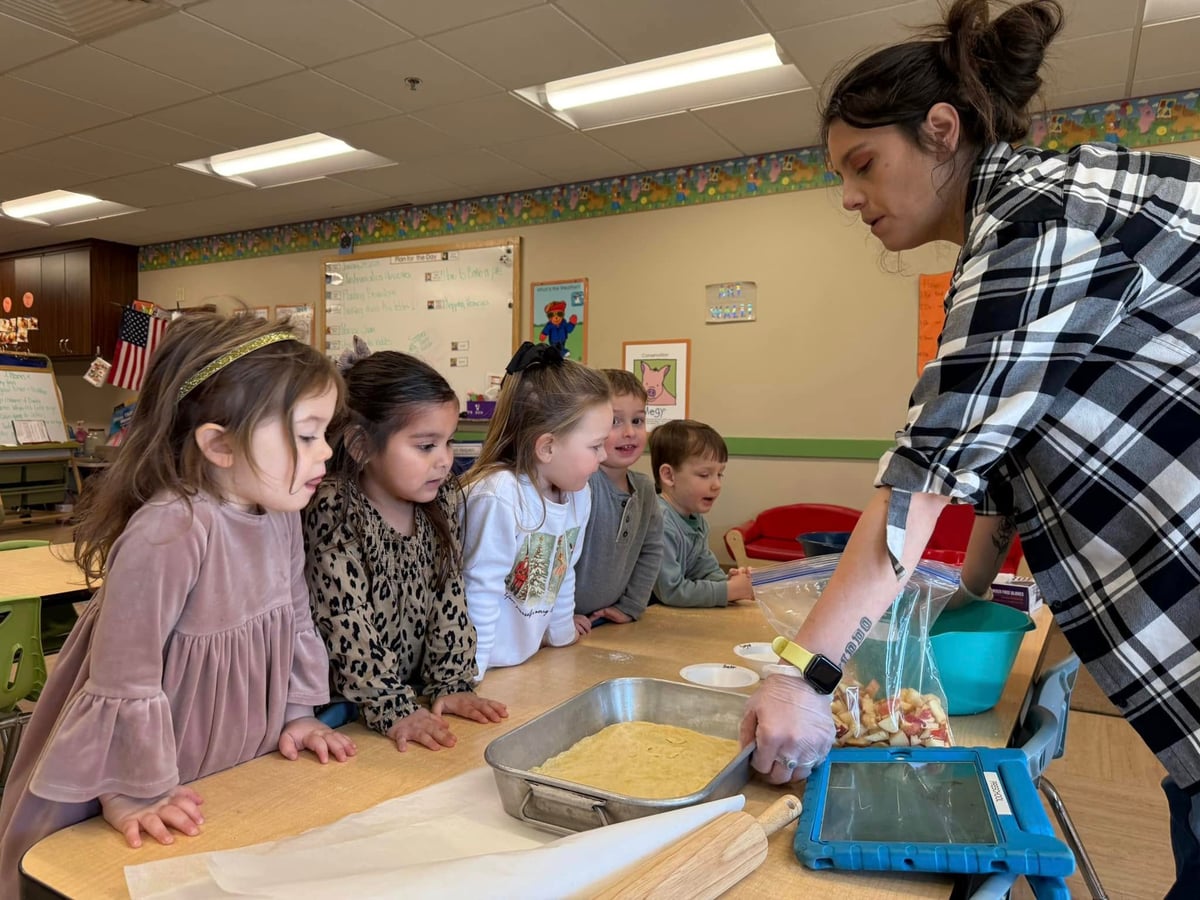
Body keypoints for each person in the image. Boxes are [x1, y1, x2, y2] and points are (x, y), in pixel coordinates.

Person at [739, 2, 1200, 895]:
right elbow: (1002, 464)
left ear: (942, 130)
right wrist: (975, 595)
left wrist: (808, 675)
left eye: (863, 164)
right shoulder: (1058, 205)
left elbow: (927, 470)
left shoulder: (1038, 215)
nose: (848, 198)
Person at [0, 314, 356, 895]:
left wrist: (298, 714)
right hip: (146, 771)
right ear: (219, 444)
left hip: (234, 765)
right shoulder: (171, 529)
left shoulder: (281, 515)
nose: (327, 453)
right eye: (308, 433)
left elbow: (294, 623)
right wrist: (131, 790)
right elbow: (125, 676)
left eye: (325, 433)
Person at [304, 340, 508, 753]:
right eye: (426, 446)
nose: (445, 460)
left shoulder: (440, 499)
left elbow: (450, 596)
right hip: (350, 714)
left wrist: (451, 682)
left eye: (449, 442)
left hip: (414, 699)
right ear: (361, 445)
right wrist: (392, 707)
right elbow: (345, 622)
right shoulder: (334, 508)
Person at [460, 341, 612, 678]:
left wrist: (562, 634)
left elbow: (563, 569)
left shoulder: (578, 494)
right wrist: (468, 679)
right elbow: (479, 592)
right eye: (595, 446)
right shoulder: (499, 496)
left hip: (522, 664)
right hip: (478, 668)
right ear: (547, 447)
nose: (604, 456)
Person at [573, 368, 664, 633]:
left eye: (637, 421)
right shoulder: (581, 484)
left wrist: (632, 606)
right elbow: (559, 556)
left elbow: (651, 551)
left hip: (606, 623)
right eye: (615, 421)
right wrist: (558, 616)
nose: (629, 432)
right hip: (566, 623)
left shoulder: (645, 489)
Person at [649, 419, 753, 608]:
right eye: (705, 475)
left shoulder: (696, 521)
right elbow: (671, 591)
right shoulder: (660, 521)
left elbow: (704, 568)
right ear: (669, 476)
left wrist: (728, 583)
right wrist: (728, 591)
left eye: (720, 474)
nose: (717, 485)